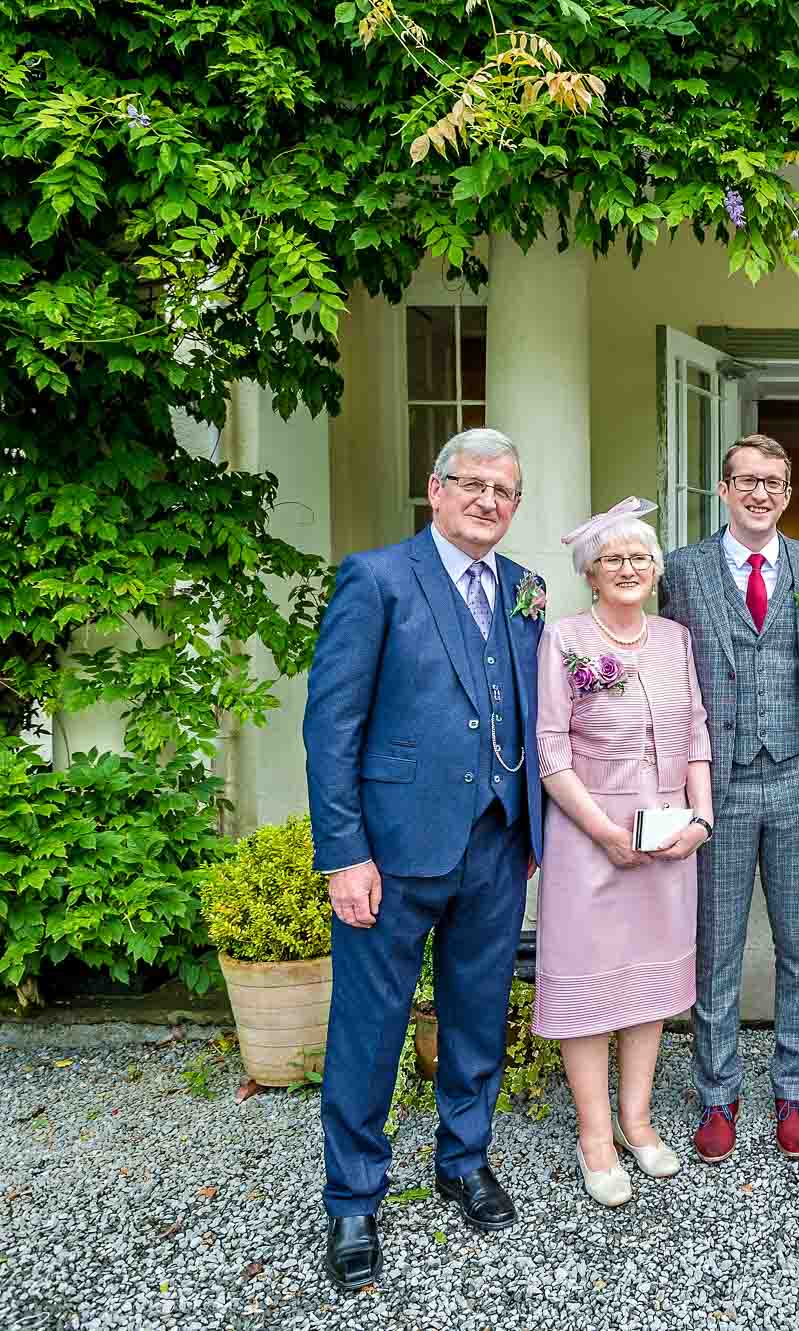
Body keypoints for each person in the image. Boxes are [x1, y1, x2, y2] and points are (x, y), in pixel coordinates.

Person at [302, 427, 547, 1290]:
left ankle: (463, 1157)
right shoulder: (377, 579)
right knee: (369, 1029)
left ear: (516, 506)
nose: (487, 500)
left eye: (503, 490)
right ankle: (354, 1198)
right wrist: (343, 854)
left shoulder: (528, 590)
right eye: (471, 483)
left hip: (495, 842)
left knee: (478, 1014)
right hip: (394, 849)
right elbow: (331, 726)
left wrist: (530, 829)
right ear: (434, 489)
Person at [659, 435, 799, 1164]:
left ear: (787, 495)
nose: (760, 493)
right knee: (716, 950)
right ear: (724, 488)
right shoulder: (680, 570)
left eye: (774, 482)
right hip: (719, 784)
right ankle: (717, 1092)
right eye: (747, 481)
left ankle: (793, 1086)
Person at [532, 498, 711, 1207]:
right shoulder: (565, 638)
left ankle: (638, 1120)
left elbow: (695, 732)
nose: (629, 568)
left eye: (640, 557)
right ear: (591, 571)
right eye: (614, 559)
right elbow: (549, 750)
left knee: (648, 987)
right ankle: (595, 1135)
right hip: (589, 837)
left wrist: (700, 817)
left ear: (656, 568)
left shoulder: (674, 638)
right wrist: (603, 830)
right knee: (589, 985)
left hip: (667, 836)